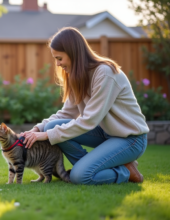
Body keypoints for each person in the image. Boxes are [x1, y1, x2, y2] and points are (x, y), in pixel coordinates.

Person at [19, 27, 149, 185]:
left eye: (59, 58)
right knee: (51, 126)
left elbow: (89, 120)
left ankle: (124, 171)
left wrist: (47, 135)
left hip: (130, 139)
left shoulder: (105, 73)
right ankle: (95, 165)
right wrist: (37, 130)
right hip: (106, 134)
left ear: (73, 53)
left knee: (80, 176)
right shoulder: (77, 76)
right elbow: (66, 114)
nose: (58, 64)